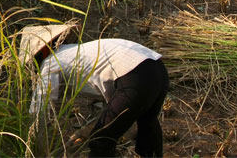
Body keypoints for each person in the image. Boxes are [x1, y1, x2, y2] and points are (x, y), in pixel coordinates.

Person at [21, 24, 169, 158]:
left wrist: (35, 149)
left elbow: (39, 112)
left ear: (43, 51)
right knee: (147, 124)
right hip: (158, 68)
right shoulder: (80, 51)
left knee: (100, 141)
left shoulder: (51, 62)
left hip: (134, 76)